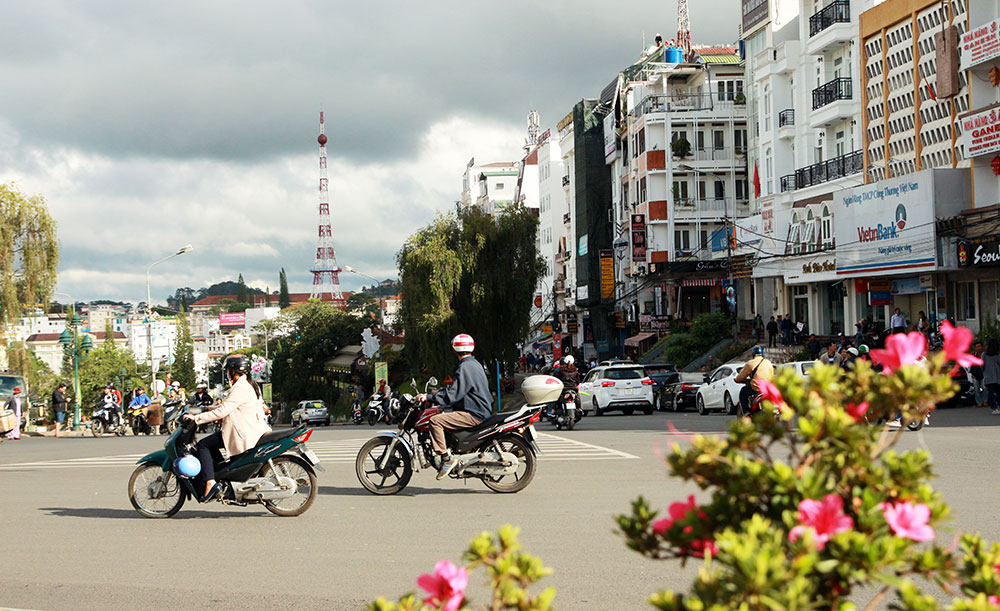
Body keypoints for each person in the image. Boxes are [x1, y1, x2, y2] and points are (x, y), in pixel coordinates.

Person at [183, 354, 271, 502]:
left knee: (203, 445)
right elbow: (229, 406)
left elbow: (223, 411)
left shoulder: (240, 388)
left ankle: (210, 482)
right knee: (213, 450)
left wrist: (197, 418)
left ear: (234, 371)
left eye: (229, 370)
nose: (228, 374)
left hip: (243, 432)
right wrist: (209, 408)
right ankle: (220, 477)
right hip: (252, 429)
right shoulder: (250, 384)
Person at [414, 333, 493, 480]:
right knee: (442, 412)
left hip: (474, 413)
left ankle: (445, 457)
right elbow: (459, 389)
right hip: (479, 408)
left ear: (455, 350)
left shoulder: (464, 367)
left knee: (435, 421)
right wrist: (439, 393)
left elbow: (453, 395)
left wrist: (429, 397)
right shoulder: (474, 364)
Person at [734, 346, 774, 417]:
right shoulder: (768, 362)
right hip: (767, 387)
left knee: (743, 391)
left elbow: (740, 377)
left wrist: (737, 380)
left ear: (753, 354)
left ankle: (746, 413)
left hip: (757, 388)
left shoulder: (750, 363)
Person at [983, 340, 1000, 415]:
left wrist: (983, 372)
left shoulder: (984, 354)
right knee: (999, 392)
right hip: (997, 376)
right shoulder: (998, 354)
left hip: (988, 376)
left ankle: (995, 408)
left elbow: (982, 365)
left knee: (991, 392)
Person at [970, 341, 987, 407]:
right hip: (975, 375)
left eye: (979, 346)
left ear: (982, 347)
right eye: (977, 347)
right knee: (976, 389)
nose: (978, 348)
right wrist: (972, 373)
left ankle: (985, 401)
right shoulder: (973, 355)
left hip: (984, 374)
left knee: (985, 388)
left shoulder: (985, 355)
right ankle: (979, 402)